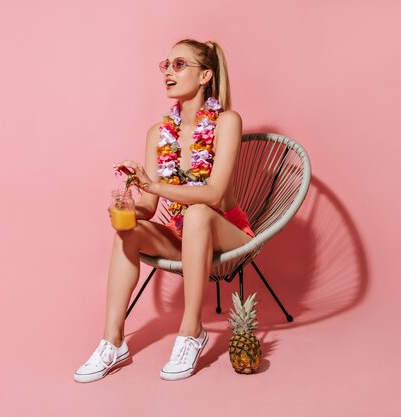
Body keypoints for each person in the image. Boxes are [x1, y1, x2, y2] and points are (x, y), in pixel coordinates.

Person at [74, 38, 255, 383]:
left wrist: (153, 184)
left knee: (200, 212)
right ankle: (112, 341)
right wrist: (129, 203)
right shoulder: (158, 134)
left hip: (226, 231)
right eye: (166, 65)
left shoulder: (227, 121)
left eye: (180, 65)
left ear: (205, 76)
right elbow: (150, 207)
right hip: (183, 236)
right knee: (127, 233)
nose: (168, 73)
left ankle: (191, 332)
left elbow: (214, 194)